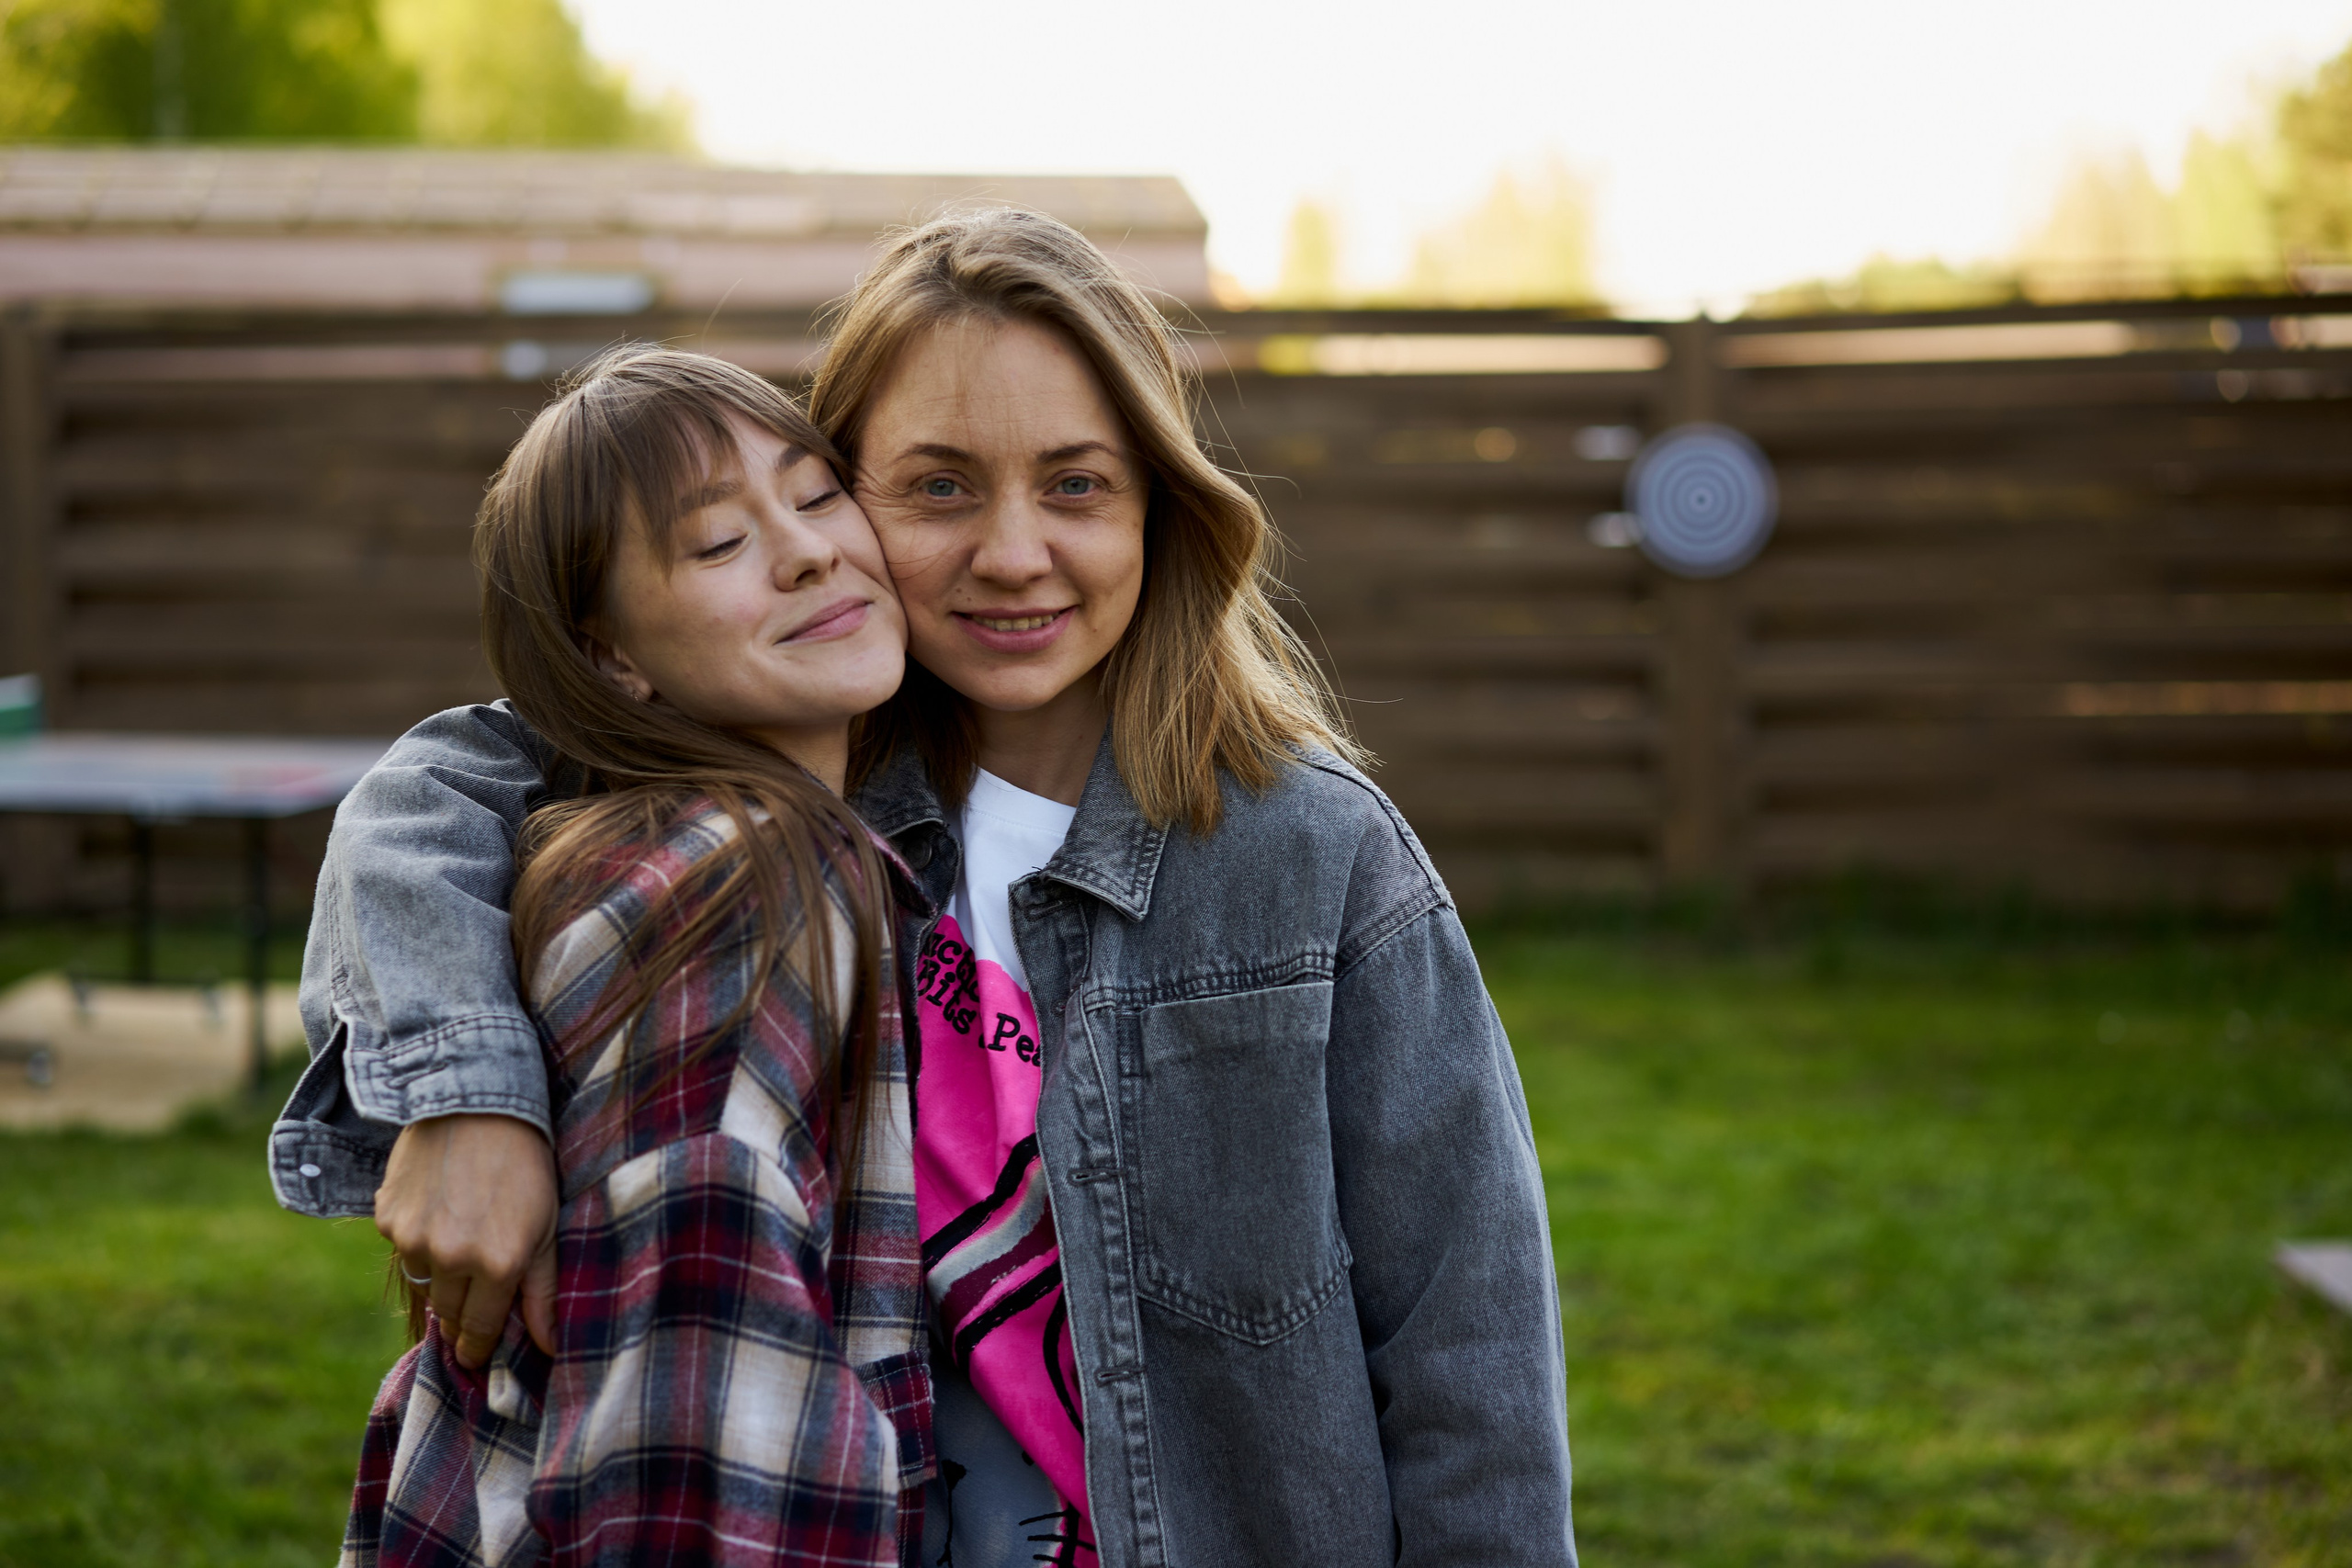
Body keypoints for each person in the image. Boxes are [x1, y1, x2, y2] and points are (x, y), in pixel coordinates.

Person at [275, 208, 1577, 1568]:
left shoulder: (1318, 859)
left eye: (1077, 485)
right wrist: (467, 1097)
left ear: (1159, 500)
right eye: (940, 487)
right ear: (853, 496)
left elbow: (1471, 1367)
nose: (1012, 553)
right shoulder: (796, 782)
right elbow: (441, 784)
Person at [332, 348, 931, 1567]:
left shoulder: (643, 844)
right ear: (612, 658)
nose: (808, 552)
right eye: (717, 543)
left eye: (818, 495)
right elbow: (699, 1430)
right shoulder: (744, 883)